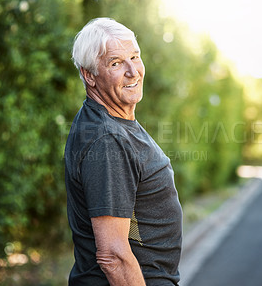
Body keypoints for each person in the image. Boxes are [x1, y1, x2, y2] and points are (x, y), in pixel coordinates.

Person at [64, 18, 182, 286]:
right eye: (116, 63)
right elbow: (112, 256)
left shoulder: (113, 122)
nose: (133, 71)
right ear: (89, 75)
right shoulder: (108, 139)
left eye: (134, 57)